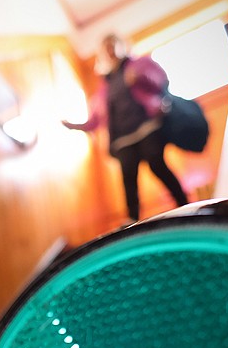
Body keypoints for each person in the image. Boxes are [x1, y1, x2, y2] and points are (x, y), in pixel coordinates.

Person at [64, 34, 188, 223]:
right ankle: (132, 218)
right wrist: (77, 127)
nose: (110, 50)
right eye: (106, 48)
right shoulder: (104, 85)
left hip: (146, 127)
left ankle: (184, 203)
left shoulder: (139, 65)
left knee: (157, 164)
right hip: (122, 138)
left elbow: (161, 82)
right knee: (128, 176)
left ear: (122, 46)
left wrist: (140, 78)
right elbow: (97, 118)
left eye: (113, 45)